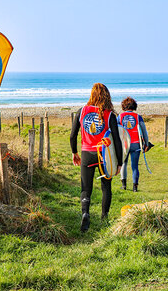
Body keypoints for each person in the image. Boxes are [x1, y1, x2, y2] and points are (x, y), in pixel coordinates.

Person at [70, 83, 122, 232]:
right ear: (106, 96)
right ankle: (104, 218)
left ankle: (85, 212)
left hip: (87, 154)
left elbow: (73, 135)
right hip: (104, 156)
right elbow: (117, 140)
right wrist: (119, 162)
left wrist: (74, 152)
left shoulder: (82, 111)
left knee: (86, 188)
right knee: (106, 187)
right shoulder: (109, 114)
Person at [117, 97, 149, 192]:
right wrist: (146, 143)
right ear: (134, 106)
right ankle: (135, 187)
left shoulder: (120, 117)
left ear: (124, 106)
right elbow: (144, 131)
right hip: (135, 144)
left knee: (123, 164)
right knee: (134, 166)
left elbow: (116, 130)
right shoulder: (138, 117)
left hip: (124, 144)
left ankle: (124, 185)